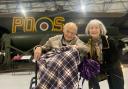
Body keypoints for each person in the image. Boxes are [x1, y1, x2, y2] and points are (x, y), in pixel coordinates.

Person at [33, 22, 89, 89]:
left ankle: (43, 86)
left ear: (75, 34)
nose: (69, 34)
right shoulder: (53, 39)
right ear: (63, 30)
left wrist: (77, 47)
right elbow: (44, 47)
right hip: (53, 63)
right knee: (43, 60)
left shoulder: (77, 41)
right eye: (67, 31)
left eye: (72, 33)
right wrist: (38, 48)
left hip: (67, 67)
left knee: (72, 52)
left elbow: (86, 49)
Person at [84, 19, 124, 89]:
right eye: (92, 28)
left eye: (96, 28)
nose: (94, 30)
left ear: (100, 30)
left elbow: (115, 57)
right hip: (97, 68)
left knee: (116, 81)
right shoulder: (87, 43)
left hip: (111, 67)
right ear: (88, 30)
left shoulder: (109, 41)